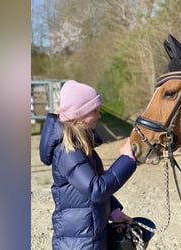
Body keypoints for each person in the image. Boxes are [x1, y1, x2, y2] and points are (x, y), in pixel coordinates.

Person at [39, 80, 137, 250]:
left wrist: (114, 211)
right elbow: (95, 189)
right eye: (94, 111)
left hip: (89, 235)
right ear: (79, 113)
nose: (99, 116)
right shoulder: (67, 150)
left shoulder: (80, 145)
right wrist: (127, 159)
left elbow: (87, 188)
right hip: (79, 242)